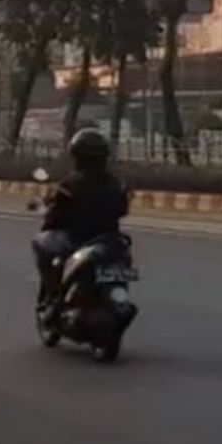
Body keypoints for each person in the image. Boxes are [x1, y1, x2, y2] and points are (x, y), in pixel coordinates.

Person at [32, 128, 131, 317]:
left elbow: (56, 213)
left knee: (41, 243)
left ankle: (54, 295)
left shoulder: (70, 184)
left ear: (77, 156)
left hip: (78, 239)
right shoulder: (116, 184)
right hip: (109, 239)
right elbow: (123, 210)